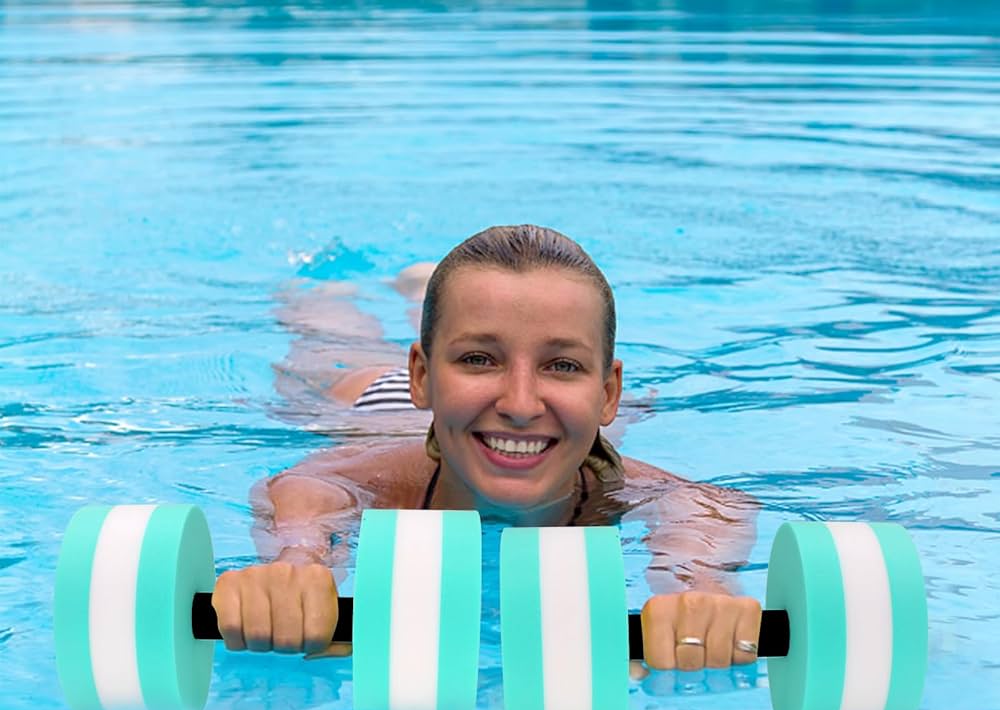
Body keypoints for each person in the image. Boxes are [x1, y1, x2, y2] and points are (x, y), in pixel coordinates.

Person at [214, 225, 763, 678]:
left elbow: (709, 509)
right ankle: (334, 296)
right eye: (478, 358)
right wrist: (296, 565)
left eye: (563, 364)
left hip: (519, 430)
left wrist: (700, 587)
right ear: (423, 376)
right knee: (329, 339)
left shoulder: (635, 489)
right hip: (374, 409)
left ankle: (428, 300)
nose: (520, 402)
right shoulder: (368, 480)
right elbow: (305, 501)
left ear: (608, 392)